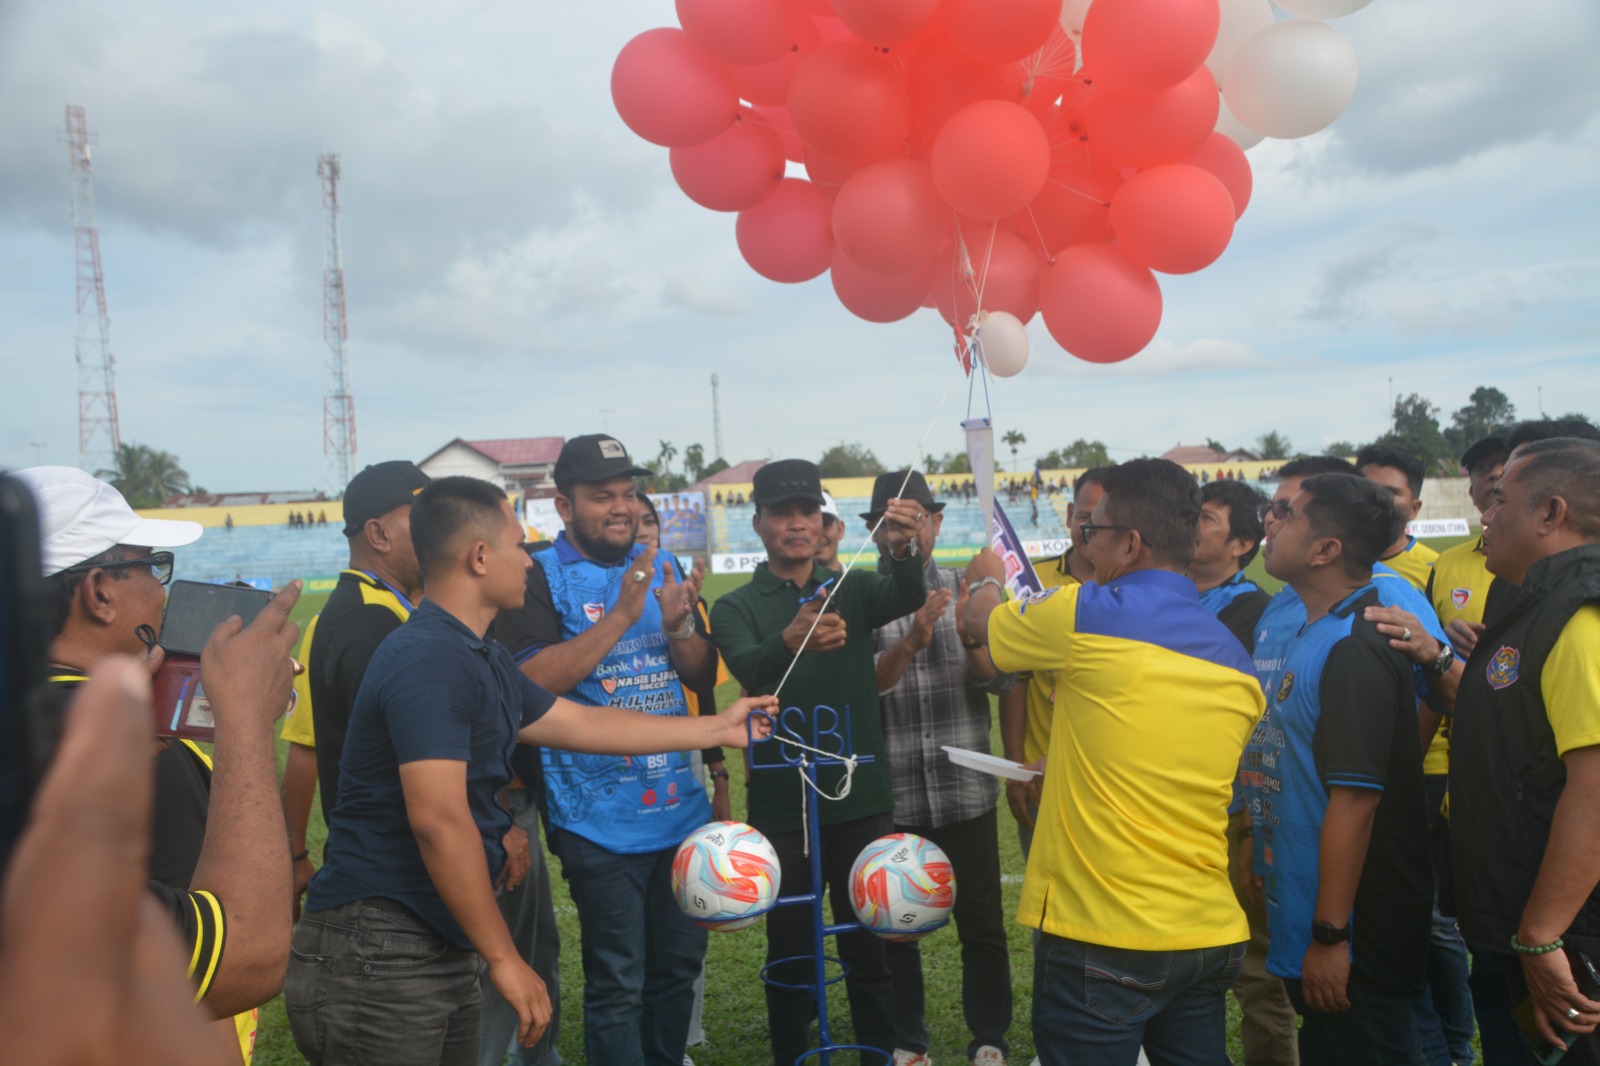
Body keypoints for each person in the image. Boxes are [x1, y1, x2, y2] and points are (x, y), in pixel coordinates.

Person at [286, 475, 773, 1066]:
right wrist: (503, 958)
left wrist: (716, 729)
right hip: (383, 945)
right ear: (480, 556)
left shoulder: (475, 650)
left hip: (429, 937)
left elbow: (580, 723)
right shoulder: (429, 658)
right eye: (520, 544)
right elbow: (439, 821)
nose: (529, 559)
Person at [961, 459, 1265, 1066]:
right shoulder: (1236, 660)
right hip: (1208, 931)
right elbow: (1157, 754)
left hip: (1105, 932)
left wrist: (985, 580)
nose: (1084, 544)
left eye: (1089, 532)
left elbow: (980, 633)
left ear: (1129, 543)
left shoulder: (1084, 612)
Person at [20, 465, 300, 1063]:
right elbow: (236, 965)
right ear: (100, 592)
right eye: (152, 565)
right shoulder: (151, 772)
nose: (162, 590)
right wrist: (245, 723)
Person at [492, 435, 720, 1066]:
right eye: (602, 497)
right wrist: (620, 616)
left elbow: (700, 677)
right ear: (564, 506)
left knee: (677, 973)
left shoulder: (663, 565)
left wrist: (678, 627)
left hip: (679, 811)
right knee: (618, 985)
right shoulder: (538, 574)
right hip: (595, 818)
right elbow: (529, 687)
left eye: (626, 494)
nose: (619, 508)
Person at [710, 458, 926, 1066]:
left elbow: (907, 593)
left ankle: (878, 1054)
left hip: (860, 796)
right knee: (791, 952)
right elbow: (749, 671)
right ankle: (790, 1054)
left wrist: (902, 545)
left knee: (869, 945)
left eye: (809, 511)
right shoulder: (736, 605)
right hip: (782, 803)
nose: (798, 523)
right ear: (758, 524)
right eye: (783, 512)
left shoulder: (850, 585)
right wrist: (790, 638)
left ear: (824, 520)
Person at [1238, 473, 1434, 1064]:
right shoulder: (1308, 627)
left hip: (1357, 930)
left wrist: (1331, 938)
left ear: (1326, 551)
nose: (1269, 522)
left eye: (1287, 514)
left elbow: (1356, 802)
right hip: (1308, 909)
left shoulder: (1356, 645)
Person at [0, 660, 256, 1066]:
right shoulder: (147, 754)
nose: (164, 602)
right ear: (100, 597)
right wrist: (247, 719)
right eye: (155, 589)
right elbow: (224, 968)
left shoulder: (29, 716)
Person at [1449, 437, 1600, 1063]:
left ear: (1550, 513)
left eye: (1500, 499)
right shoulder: (1532, 604)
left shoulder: (1578, 617)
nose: (1485, 513)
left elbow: (1594, 790)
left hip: (1571, 933)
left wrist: (1542, 936)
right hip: (1531, 920)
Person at [865, 471, 1016, 1066]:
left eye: (914, 518)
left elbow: (1005, 681)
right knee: (894, 926)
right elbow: (855, 693)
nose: (904, 530)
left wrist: (974, 639)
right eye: (891, 521)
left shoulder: (969, 591)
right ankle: (908, 1042)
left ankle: (989, 1039)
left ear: (936, 523)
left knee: (982, 926)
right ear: (874, 532)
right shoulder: (861, 599)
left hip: (965, 796)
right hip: (893, 796)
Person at [279, 460, 430, 916]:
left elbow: (308, 745)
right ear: (379, 535)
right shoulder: (373, 622)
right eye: (424, 520)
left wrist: (295, 855)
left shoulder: (355, 612)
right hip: (397, 874)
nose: (442, 532)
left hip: (374, 863)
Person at [1185, 477, 1295, 1066]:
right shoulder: (1166, 598)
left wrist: (1251, 824)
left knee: (1257, 974)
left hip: (1230, 814)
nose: (1189, 524)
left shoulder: (1256, 612)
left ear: (1241, 545)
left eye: (1204, 518)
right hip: (1171, 811)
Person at [998, 465, 1110, 855]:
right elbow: (1016, 679)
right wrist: (1014, 770)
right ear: (1067, 516)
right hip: (1040, 782)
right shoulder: (1033, 584)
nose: (1090, 530)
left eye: (1103, 521)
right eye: (1083, 518)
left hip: (1112, 782)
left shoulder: (1137, 587)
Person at [1357, 443, 1439, 592]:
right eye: (1367, 488)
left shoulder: (1436, 570)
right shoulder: (1330, 565)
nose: (1377, 498)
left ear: (1413, 509)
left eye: (1389, 492)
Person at [817, 490, 847, 573]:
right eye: (808, 525)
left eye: (825, 523)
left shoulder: (863, 585)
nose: (818, 534)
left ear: (840, 529)